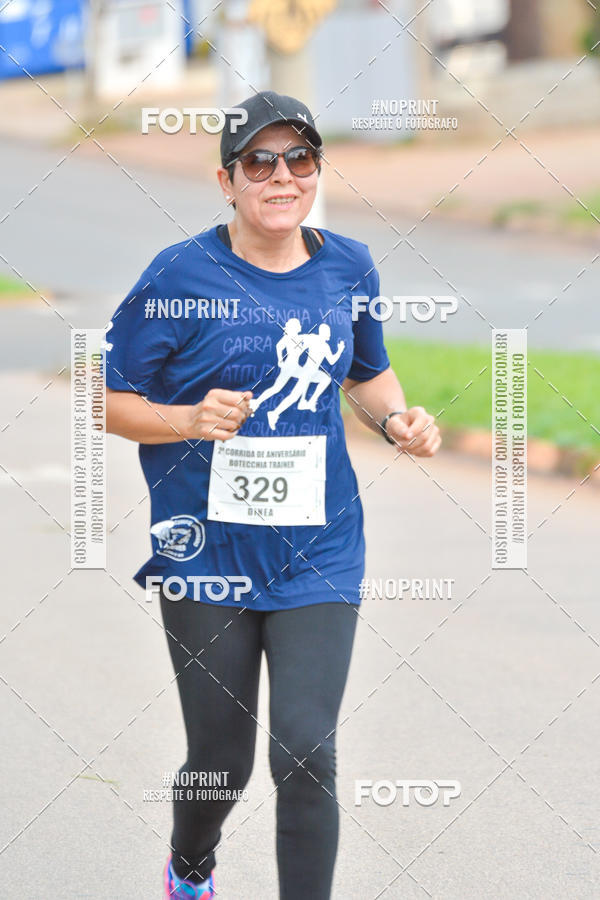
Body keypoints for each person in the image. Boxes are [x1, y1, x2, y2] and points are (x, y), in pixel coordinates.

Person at [105, 90, 441, 900]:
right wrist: (187, 418)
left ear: (317, 171)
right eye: (259, 161)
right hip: (206, 554)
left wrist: (396, 419)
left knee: (305, 750)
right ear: (227, 181)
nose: (282, 175)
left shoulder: (349, 266)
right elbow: (107, 400)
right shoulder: (180, 275)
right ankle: (190, 866)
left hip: (319, 547)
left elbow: (366, 373)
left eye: (300, 158)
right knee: (220, 762)